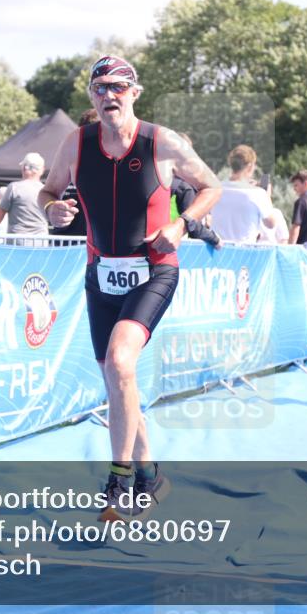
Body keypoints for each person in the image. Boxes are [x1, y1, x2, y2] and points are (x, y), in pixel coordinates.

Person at [38, 55, 221, 518]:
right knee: (116, 378)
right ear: (91, 98)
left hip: (154, 269)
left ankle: (119, 483)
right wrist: (51, 209)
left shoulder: (161, 142)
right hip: (100, 275)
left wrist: (182, 226)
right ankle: (150, 474)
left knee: (120, 361)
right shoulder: (76, 143)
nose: (108, 96)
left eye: (118, 87)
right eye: (99, 89)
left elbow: (212, 187)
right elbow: (49, 190)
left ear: (134, 93)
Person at [210, 145, 276, 243]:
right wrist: (267, 197)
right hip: (244, 251)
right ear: (250, 166)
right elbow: (271, 224)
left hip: (218, 250)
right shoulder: (258, 194)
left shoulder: (215, 189)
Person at [0, 153, 50, 238]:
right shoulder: (46, 190)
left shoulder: (14, 188)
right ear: (42, 170)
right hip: (41, 243)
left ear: (24, 168)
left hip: (17, 243)